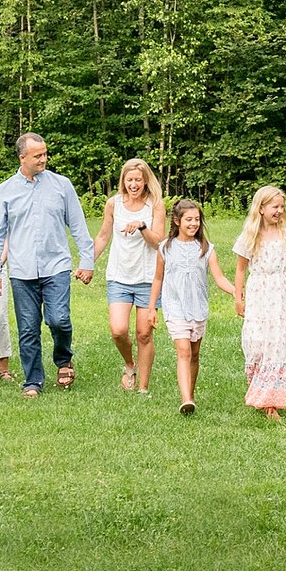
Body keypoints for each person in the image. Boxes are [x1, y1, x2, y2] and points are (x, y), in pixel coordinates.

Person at [0, 132, 97, 396]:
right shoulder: (5, 191)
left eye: (45, 154)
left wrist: (87, 260)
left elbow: (78, 226)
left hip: (56, 265)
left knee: (59, 320)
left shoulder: (62, 185)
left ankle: (63, 359)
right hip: (22, 270)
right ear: (23, 158)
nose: (44, 159)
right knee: (28, 327)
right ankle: (33, 380)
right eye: (38, 156)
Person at [151, 199, 236, 416]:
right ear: (178, 221)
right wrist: (152, 307)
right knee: (183, 351)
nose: (193, 224)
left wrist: (236, 291)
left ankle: (191, 393)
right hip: (175, 307)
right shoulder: (165, 248)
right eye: (189, 220)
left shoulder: (206, 249)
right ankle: (186, 399)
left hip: (198, 308)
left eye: (197, 220)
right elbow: (158, 279)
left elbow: (219, 278)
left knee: (195, 354)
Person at [97, 159, 168, 395]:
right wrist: (87, 264)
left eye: (138, 179)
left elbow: (158, 241)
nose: (134, 184)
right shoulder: (114, 204)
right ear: (123, 181)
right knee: (118, 330)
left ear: (146, 181)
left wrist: (142, 226)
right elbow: (103, 237)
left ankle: (144, 388)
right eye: (130, 180)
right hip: (119, 275)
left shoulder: (155, 205)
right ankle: (130, 364)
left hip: (148, 278)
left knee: (144, 333)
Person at [231, 185, 286, 417]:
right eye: (275, 206)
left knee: (277, 343)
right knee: (256, 341)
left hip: (279, 292)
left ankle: (272, 402)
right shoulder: (250, 234)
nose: (279, 211)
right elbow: (240, 270)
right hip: (258, 292)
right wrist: (238, 297)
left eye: (282, 207)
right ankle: (258, 392)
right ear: (261, 208)